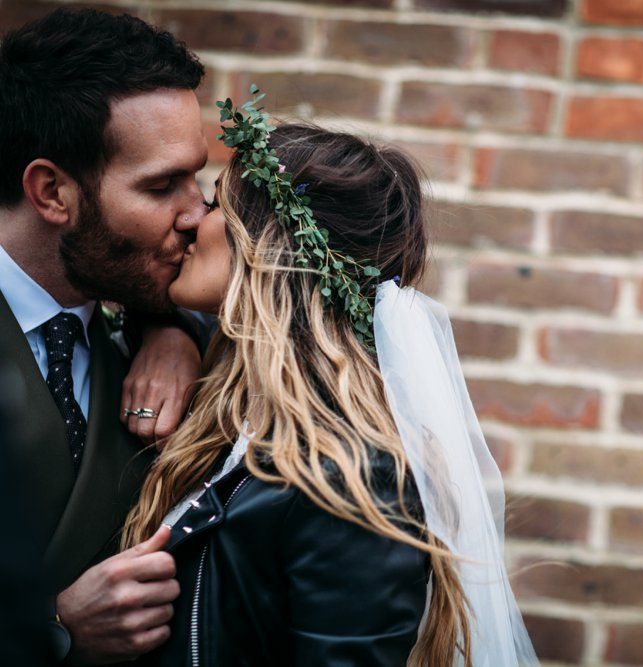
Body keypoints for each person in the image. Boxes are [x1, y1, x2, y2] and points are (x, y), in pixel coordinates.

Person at [122, 90, 538, 665]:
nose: (194, 219)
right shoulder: (230, 419)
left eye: (218, 204)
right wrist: (159, 328)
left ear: (268, 242)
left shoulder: (356, 476)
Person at [0, 8, 213, 664]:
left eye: (196, 176)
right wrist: (55, 626)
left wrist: (172, 327)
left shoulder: (161, 331)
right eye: (161, 186)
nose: (197, 214)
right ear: (53, 192)